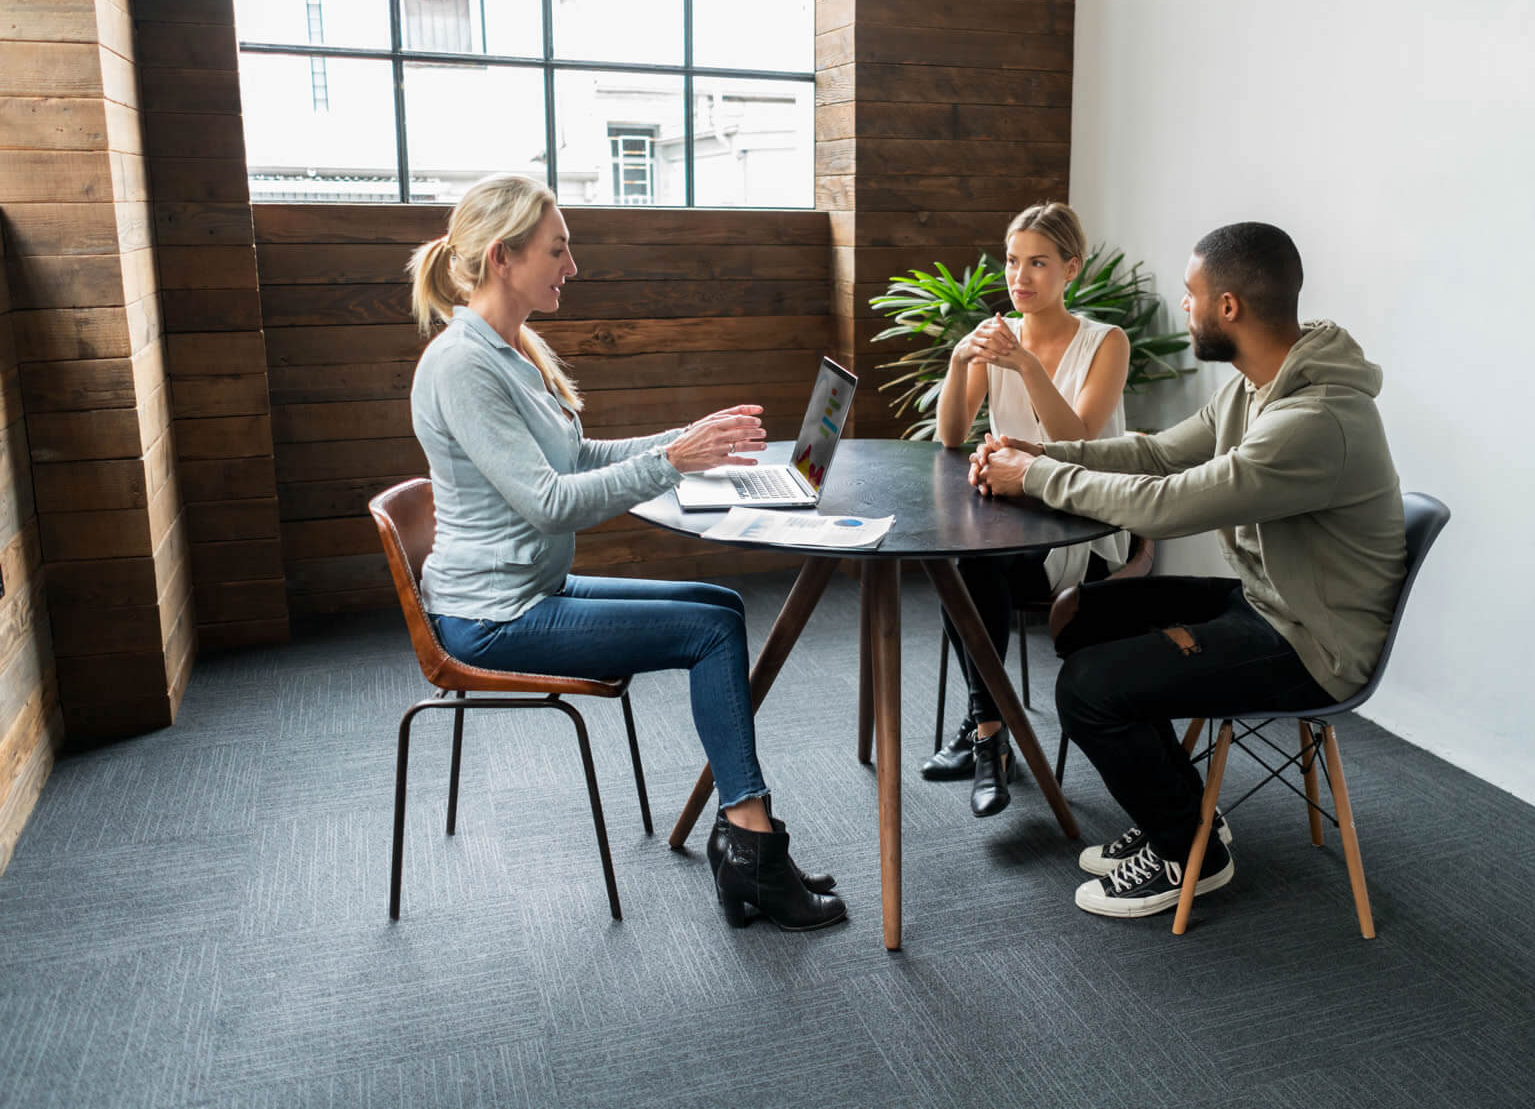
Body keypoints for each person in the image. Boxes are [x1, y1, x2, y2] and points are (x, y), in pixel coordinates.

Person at [406, 173, 846, 932]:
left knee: (722, 607)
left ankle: (746, 840)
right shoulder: (462, 365)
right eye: (558, 249)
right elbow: (549, 499)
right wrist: (673, 462)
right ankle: (750, 843)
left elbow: (576, 458)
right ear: (504, 256)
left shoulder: (511, 348)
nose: (570, 266)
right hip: (492, 617)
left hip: (530, 588)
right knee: (710, 630)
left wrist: (686, 442)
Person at [970, 222, 1405, 919]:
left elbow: (1168, 504)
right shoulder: (1256, 386)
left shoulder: (1314, 418)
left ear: (1227, 307)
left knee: (1087, 688)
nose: (1185, 305)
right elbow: (1158, 455)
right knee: (1081, 613)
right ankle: (1187, 815)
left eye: (1191, 293)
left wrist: (1039, 476)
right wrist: (1036, 453)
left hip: (1312, 643)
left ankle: (1187, 853)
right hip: (1268, 603)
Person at [919, 203, 1130, 818]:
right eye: (1013, 261)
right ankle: (991, 736)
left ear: (1071, 269)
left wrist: (1029, 367)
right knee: (961, 564)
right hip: (1011, 519)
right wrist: (961, 363)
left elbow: (1081, 444)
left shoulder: (1105, 343)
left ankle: (983, 736)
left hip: (1084, 528)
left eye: (1038, 263)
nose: (1021, 276)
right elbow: (951, 438)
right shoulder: (998, 338)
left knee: (972, 569)